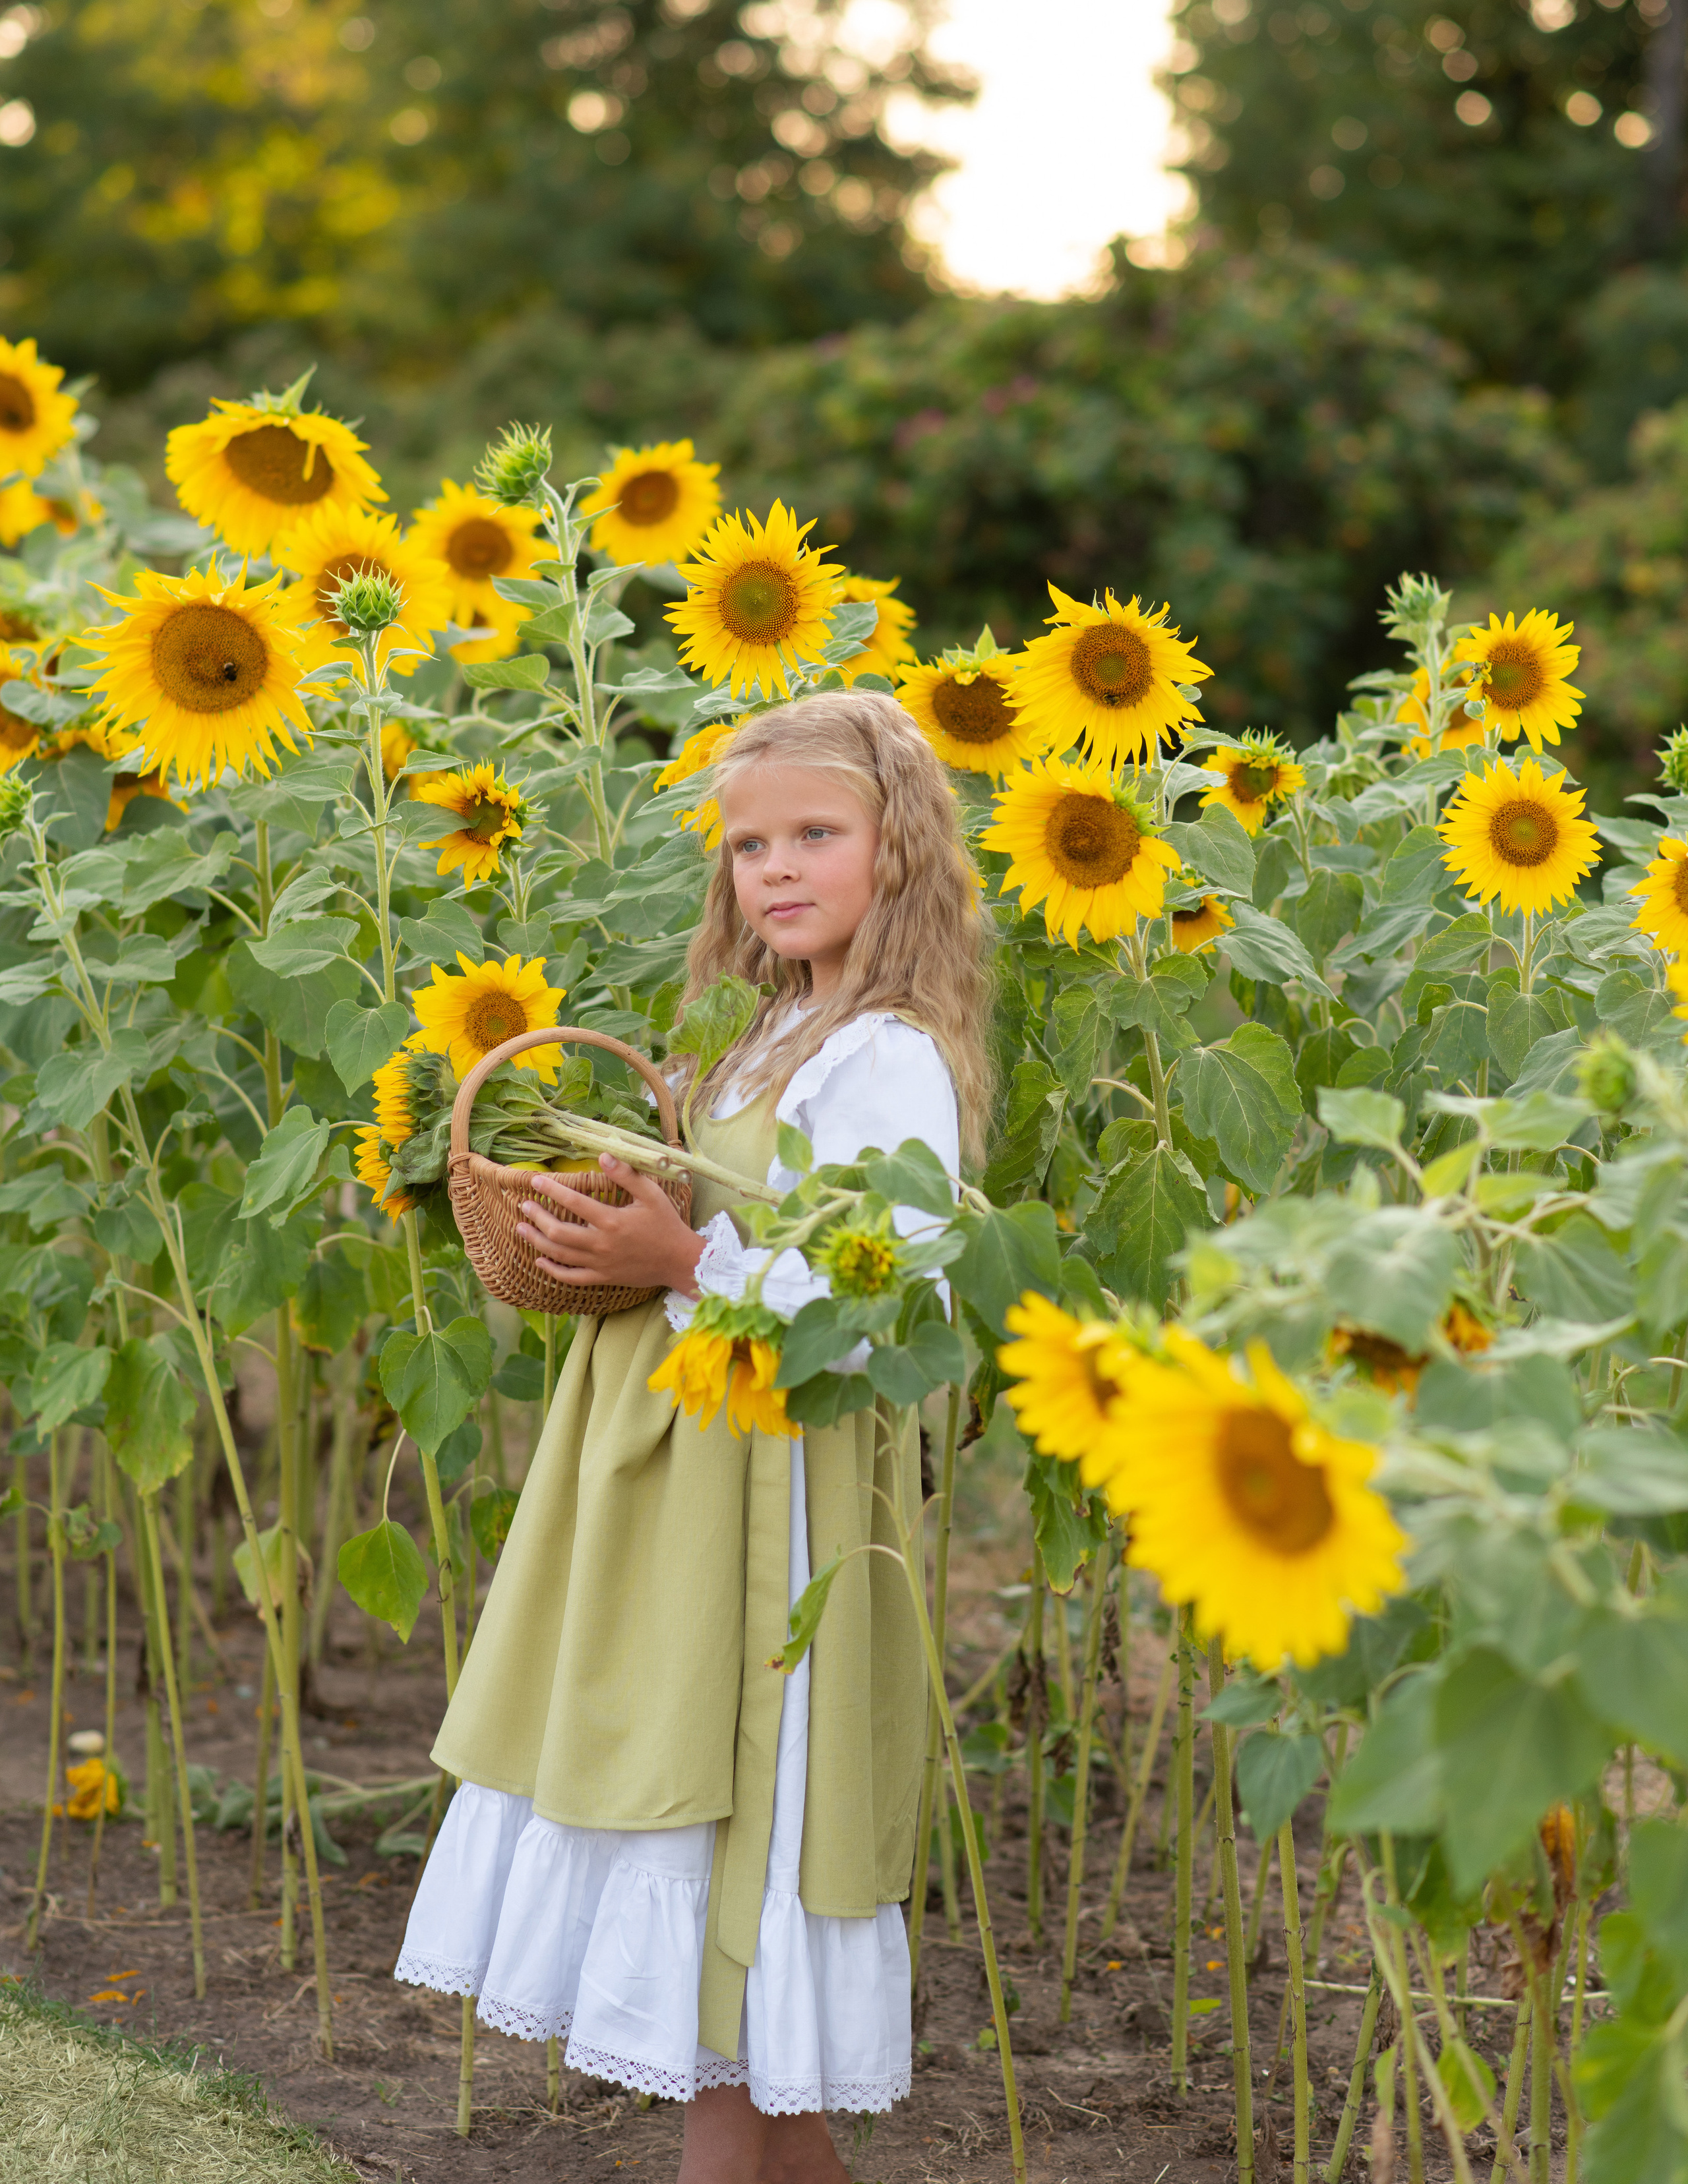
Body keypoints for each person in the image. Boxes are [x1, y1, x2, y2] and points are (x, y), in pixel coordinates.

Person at [395, 688, 994, 2182]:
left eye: (816, 833)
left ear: (902, 850)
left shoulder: (885, 1058)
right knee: (734, 1972)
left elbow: (879, 1305)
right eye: (748, 845)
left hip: (773, 1504)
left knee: (742, 1867)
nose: (775, 867)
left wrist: (681, 1261)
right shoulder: (769, 1031)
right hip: (686, 1479)